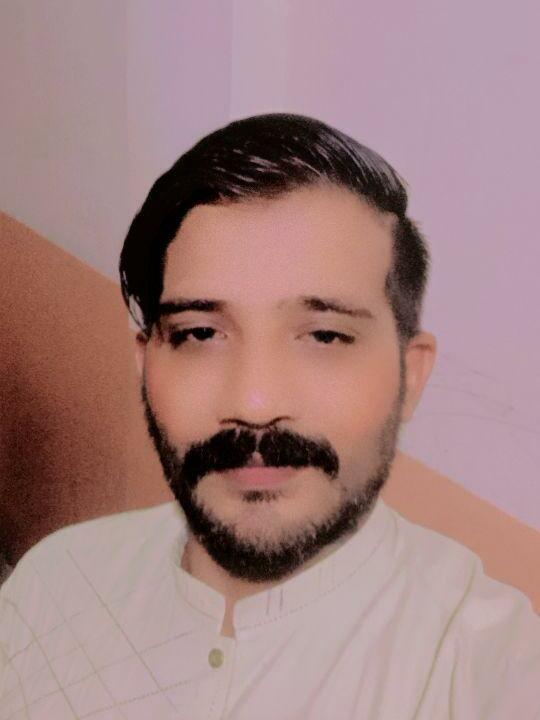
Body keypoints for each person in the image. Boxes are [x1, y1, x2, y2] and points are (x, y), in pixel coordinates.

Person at [1, 113, 538, 719]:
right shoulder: (52, 584)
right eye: (200, 334)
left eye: (325, 337)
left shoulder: (481, 666)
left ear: (409, 376)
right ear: (145, 364)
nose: (254, 404)